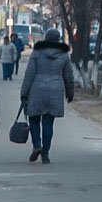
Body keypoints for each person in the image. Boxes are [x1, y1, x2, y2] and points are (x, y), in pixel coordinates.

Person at [20, 28, 75, 164]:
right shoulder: (64, 55)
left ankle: (37, 145)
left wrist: (24, 92)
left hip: (37, 90)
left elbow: (29, 74)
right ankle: (45, 153)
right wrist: (70, 92)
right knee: (48, 123)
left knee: (33, 119)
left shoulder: (37, 53)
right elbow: (68, 76)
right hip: (55, 91)